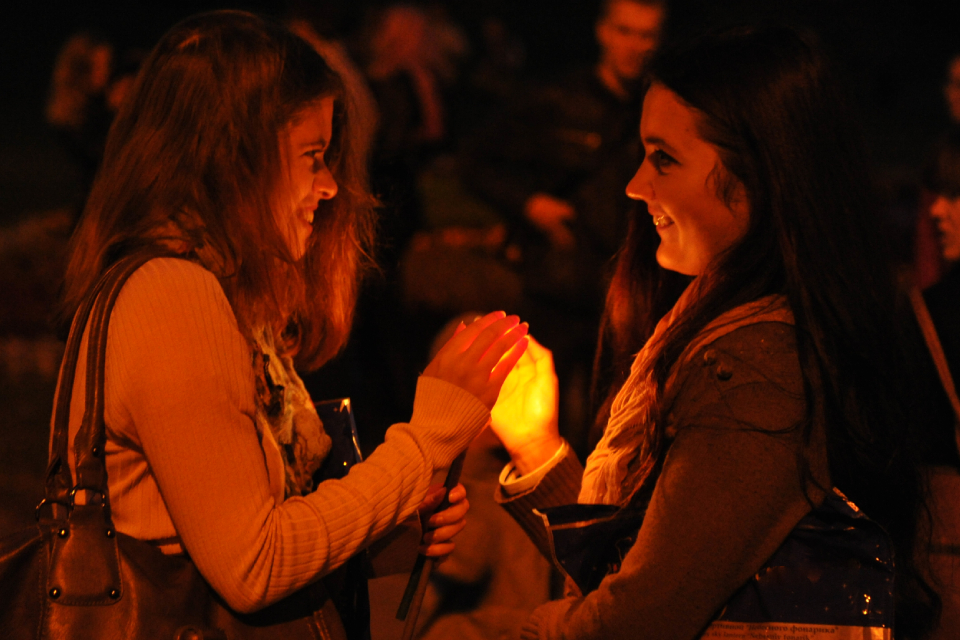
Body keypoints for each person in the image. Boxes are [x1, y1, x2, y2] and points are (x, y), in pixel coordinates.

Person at [53, 10, 528, 636]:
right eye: (312, 156)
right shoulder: (173, 294)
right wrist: (425, 440)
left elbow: (239, 531)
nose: (329, 186)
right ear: (232, 160)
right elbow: (254, 566)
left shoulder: (216, 294)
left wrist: (390, 529)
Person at [488, 25, 938, 640]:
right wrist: (538, 450)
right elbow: (637, 567)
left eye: (664, 158)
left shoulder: (756, 367)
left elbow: (644, 615)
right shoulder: (721, 327)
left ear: (760, 175)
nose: (635, 185)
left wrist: (534, 629)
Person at [460, 0, 666, 456]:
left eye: (646, 35)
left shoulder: (660, 108)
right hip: (556, 283)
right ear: (603, 31)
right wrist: (529, 204)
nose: (635, 46)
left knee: (613, 421)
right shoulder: (557, 100)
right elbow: (475, 160)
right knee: (541, 414)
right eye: (625, 31)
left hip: (624, 290)